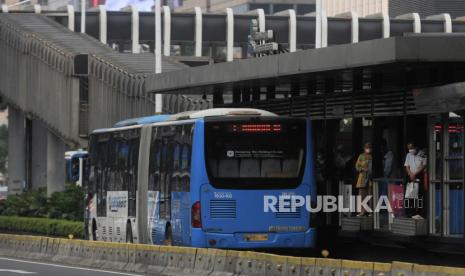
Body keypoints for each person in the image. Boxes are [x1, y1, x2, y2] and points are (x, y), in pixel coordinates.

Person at [404, 142, 427, 219]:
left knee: (419, 196)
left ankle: (419, 213)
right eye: (409, 148)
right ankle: (411, 213)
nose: (410, 150)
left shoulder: (422, 154)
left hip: (418, 177)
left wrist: (415, 174)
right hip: (410, 177)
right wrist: (410, 174)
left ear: (415, 147)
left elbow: (424, 165)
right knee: (410, 196)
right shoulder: (408, 155)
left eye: (411, 148)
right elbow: (407, 166)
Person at [355, 143, 373, 216]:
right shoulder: (361, 156)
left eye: (369, 147)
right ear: (364, 148)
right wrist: (362, 169)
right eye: (367, 147)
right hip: (362, 178)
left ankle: (370, 211)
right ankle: (362, 211)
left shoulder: (371, 157)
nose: (368, 149)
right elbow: (357, 166)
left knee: (369, 195)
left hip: (369, 179)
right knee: (362, 195)